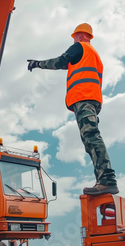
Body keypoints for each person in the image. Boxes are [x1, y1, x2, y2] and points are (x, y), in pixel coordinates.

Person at [26, 23, 118, 195]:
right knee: (89, 138)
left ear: (81, 36)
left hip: (83, 97)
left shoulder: (79, 47)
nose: (74, 39)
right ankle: (103, 179)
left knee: (91, 136)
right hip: (91, 99)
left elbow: (61, 61)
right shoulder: (93, 54)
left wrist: (38, 63)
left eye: (75, 36)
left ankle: (107, 179)